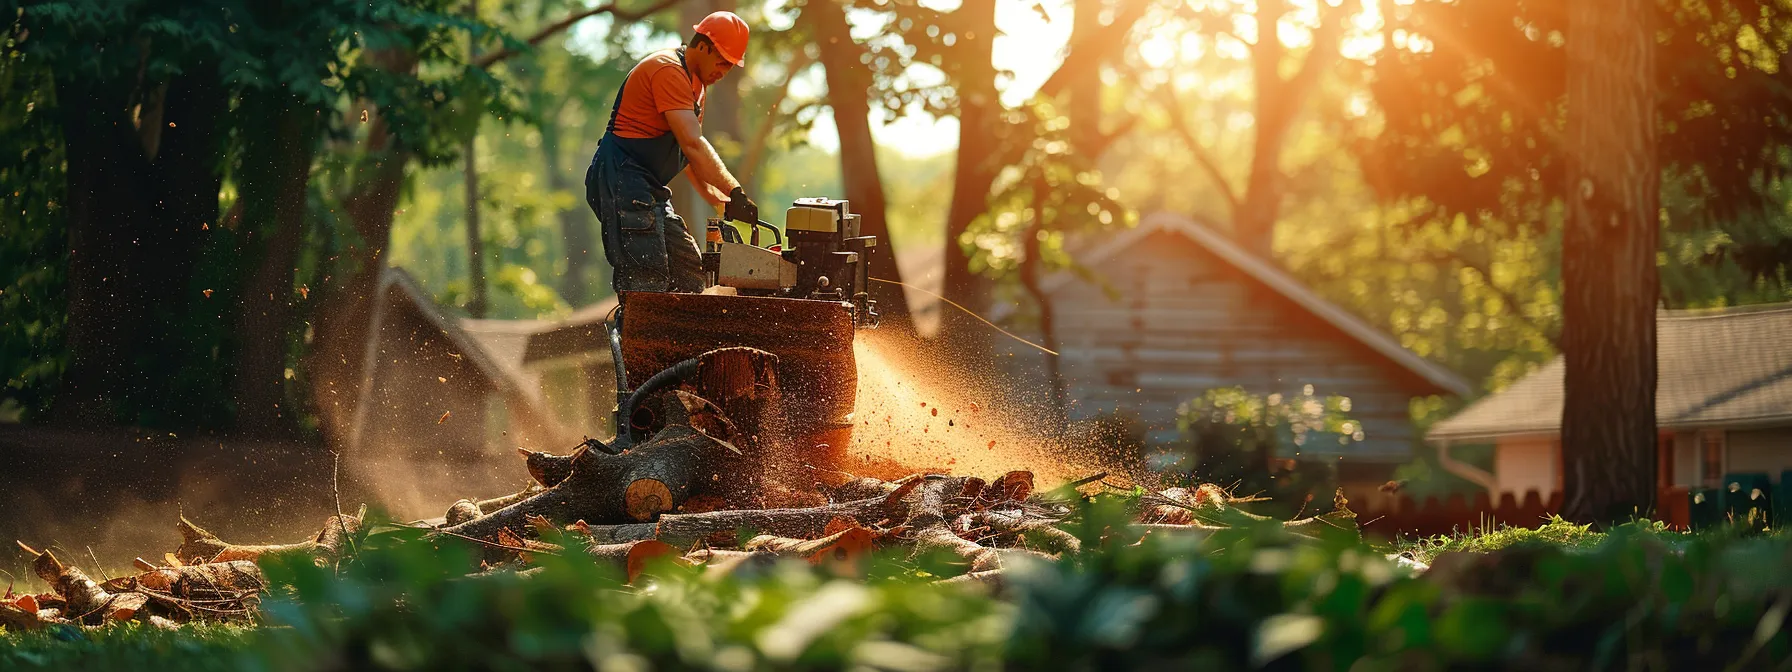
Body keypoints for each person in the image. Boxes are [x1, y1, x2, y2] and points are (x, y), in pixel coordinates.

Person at [585, 10, 759, 298]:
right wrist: (735, 190)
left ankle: (685, 343)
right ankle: (638, 340)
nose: (724, 71)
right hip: (621, 179)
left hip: (645, 187)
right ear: (702, 46)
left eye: (730, 66)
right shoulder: (667, 70)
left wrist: (717, 197)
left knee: (688, 271)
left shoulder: (697, 85)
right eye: (722, 62)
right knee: (646, 276)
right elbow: (693, 144)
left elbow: (687, 152)